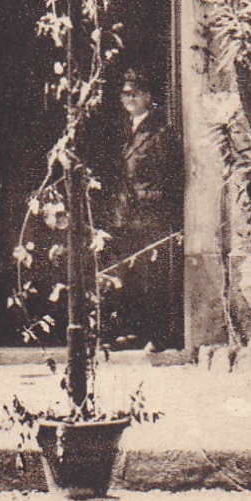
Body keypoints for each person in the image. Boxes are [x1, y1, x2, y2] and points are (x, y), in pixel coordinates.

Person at [104, 67, 183, 348]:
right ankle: (130, 332)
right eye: (125, 93)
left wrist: (163, 208)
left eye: (136, 93)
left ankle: (158, 335)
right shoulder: (123, 130)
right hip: (124, 215)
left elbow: (174, 175)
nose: (130, 98)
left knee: (154, 276)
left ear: (148, 97)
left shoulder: (161, 131)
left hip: (151, 216)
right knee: (126, 275)